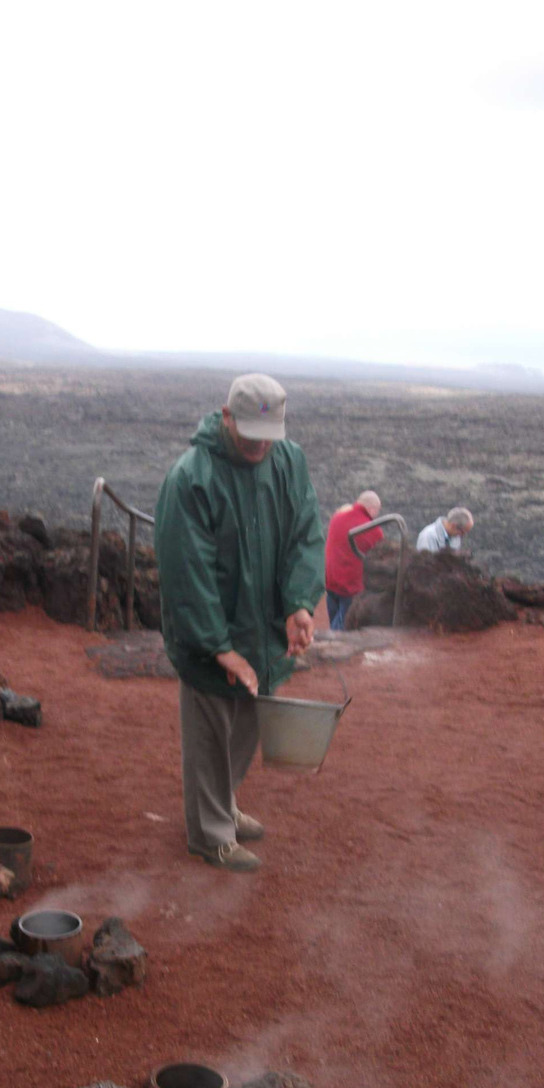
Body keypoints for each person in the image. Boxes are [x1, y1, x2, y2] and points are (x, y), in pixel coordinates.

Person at [155, 373, 324, 873]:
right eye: (249, 435)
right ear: (226, 417)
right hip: (212, 636)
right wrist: (217, 646)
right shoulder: (192, 477)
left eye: (267, 438)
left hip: (264, 629)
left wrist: (299, 604)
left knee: (248, 725)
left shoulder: (288, 461)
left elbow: (305, 535)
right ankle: (210, 836)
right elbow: (187, 571)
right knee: (210, 735)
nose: (258, 447)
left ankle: (223, 806)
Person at [324, 490, 382, 631]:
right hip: (350, 588)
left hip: (330, 581)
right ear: (372, 509)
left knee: (334, 619)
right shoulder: (373, 530)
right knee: (342, 630)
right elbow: (380, 556)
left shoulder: (337, 518)